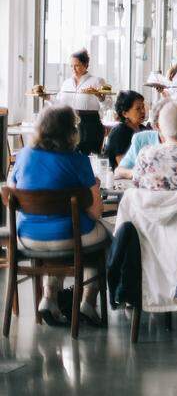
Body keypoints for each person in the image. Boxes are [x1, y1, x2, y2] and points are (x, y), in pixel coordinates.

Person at [6, 105, 107, 326]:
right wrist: (95, 187)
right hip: (67, 236)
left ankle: (49, 298)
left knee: (60, 230)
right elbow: (95, 211)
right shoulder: (78, 161)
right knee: (104, 239)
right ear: (71, 131)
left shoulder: (23, 157)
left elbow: (12, 195)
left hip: (26, 236)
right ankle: (88, 303)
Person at [114, 97, 177, 178]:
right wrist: (135, 173)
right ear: (157, 125)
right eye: (171, 120)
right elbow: (119, 171)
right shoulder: (141, 139)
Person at [58, 48, 108, 156]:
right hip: (69, 124)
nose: (73, 69)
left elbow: (108, 105)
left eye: (77, 65)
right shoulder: (66, 83)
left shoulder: (97, 81)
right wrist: (47, 97)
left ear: (86, 65)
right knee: (70, 157)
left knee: (90, 159)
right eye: (71, 66)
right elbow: (59, 103)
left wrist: (99, 96)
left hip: (91, 125)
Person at [103, 90, 147, 168]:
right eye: (138, 109)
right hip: (121, 178)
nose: (143, 111)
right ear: (125, 113)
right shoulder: (119, 133)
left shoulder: (143, 129)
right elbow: (124, 166)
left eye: (143, 107)